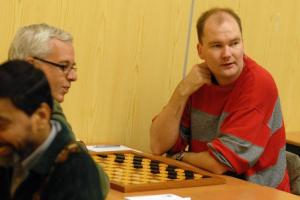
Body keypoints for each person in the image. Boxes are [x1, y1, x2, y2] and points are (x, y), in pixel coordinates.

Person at [150, 7, 290, 192]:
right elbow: (158, 145)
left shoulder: (258, 84)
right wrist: (181, 91)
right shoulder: (197, 81)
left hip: (259, 193)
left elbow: (219, 163)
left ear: (243, 44)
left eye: (234, 43)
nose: (227, 54)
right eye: (217, 45)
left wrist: (180, 158)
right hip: (210, 186)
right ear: (200, 50)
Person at [7, 23, 109, 198]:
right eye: (63, 66)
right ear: (31, 66)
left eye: (73, 67)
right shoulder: (41, 111)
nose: (73, 76)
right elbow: (96, 182)